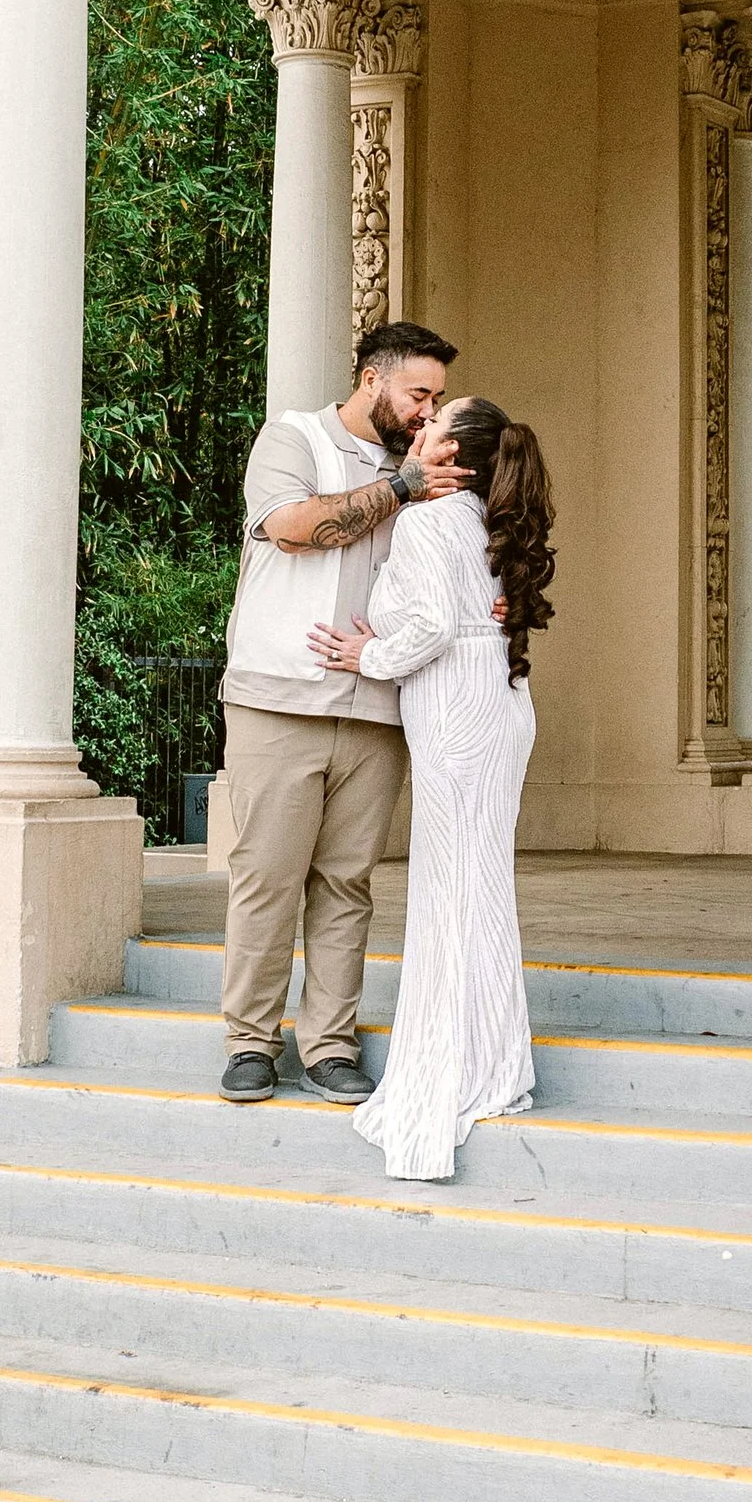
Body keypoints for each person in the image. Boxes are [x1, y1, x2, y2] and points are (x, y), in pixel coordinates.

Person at [308, 396, 556, 1183]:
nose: (419, 429)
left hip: (453, 705)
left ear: (459, 454)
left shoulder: (424, 523)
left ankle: (453, 1065)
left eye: (434, 422)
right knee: (481, 885)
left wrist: (365, 654)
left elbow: (429, 629)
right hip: (502, 704)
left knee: (450, 889)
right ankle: (493, 1061)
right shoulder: (492, 516)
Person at [215, 320, 459, 1103]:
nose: (427, 412)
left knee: (348, 884)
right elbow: (292, 529)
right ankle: (251, 1044)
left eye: (437, 398)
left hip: (380, 708)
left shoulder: (423, 466)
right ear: (371, 380)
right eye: (418, 393)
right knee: (267, 878)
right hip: (279, 698)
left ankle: (328, 1046)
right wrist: (400, 489)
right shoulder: (293, 439)